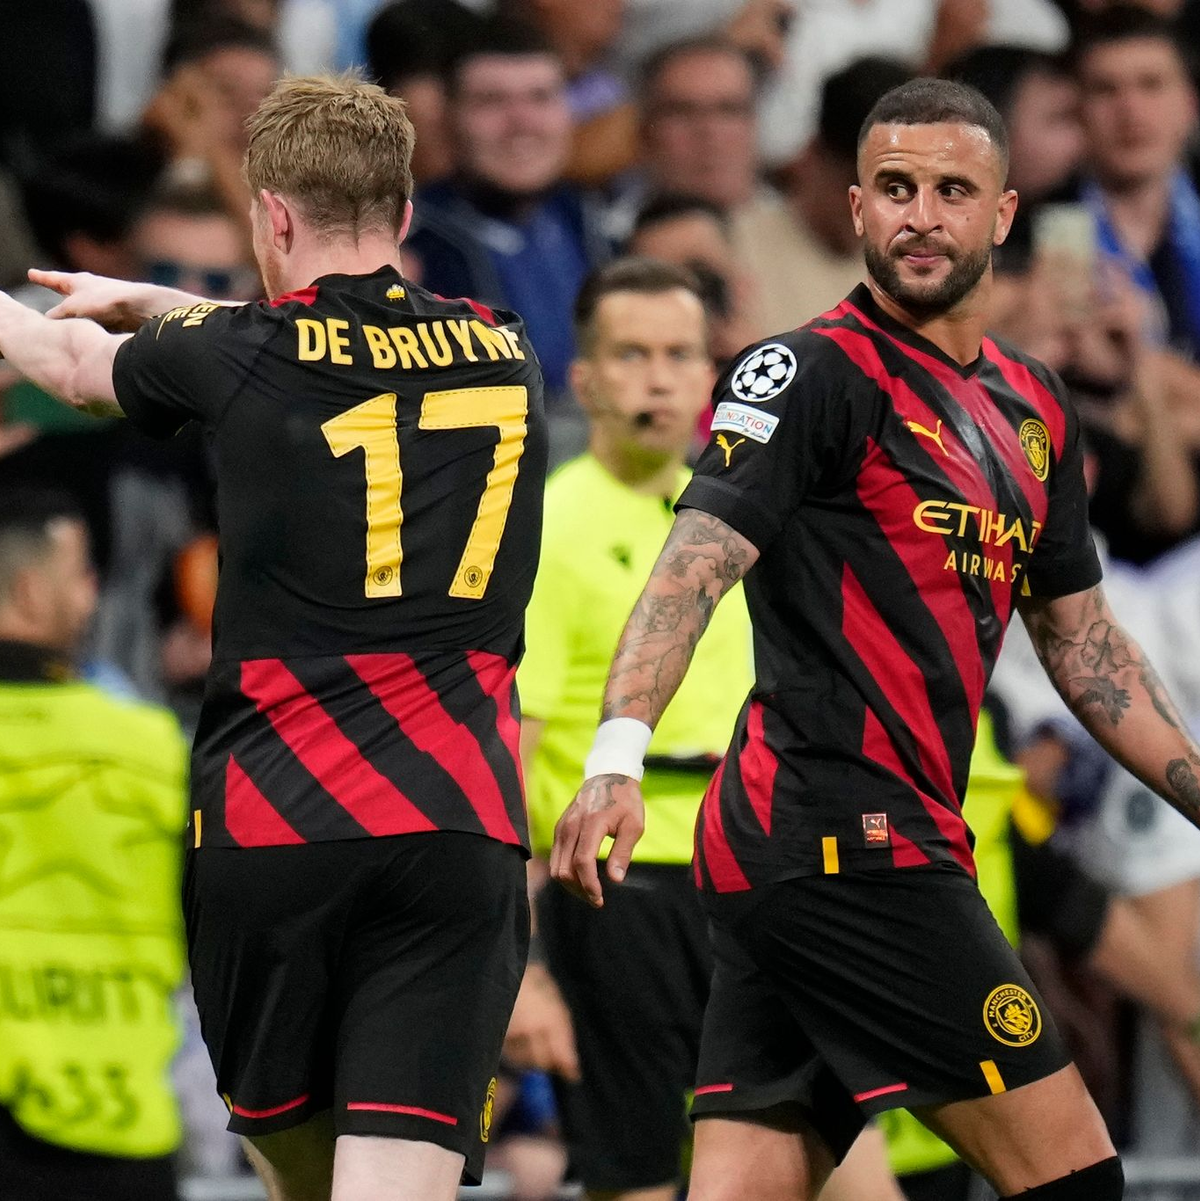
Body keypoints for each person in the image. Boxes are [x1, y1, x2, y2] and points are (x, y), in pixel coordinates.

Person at [552, 76, 1200, 1201]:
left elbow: (1085, 644)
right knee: (1076, 1173)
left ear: (1003, 215)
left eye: (954, 190)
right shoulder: (804, 373)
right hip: (846, 840)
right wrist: (614, 757)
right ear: (854, 208)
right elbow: (690, 569)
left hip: (815, 851)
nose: (921, 214)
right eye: (895, 188)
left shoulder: (1034, 407)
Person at [0, 73, 548, 1201]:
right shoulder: (506, 348)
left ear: (271, 217)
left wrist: (137, 308)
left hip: (278, 828)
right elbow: (296, 337)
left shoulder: (241, 355)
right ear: (401, 217)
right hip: (454, 827)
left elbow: (63, 364)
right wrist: (154, 300)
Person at [510, 257, 751, 1201]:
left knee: (825, 1166)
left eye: (680, 354)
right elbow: (508, 758)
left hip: (749, 881)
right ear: (584, 378)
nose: (658, 377)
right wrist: (520, 970)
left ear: (710, 376)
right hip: (616, 895)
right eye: (633, 354)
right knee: (640, 1179)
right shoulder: (549, 528)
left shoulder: (735, 521)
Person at [0, 488, 188, 1201]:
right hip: (122, 1128)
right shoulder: (149, 745)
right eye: (80, 577)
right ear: (28, 591)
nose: (92, 597)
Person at [405, 19, 611, 402]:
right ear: (447, 118)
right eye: (491, 101)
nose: (521, 123)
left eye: (540, 97)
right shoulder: (405, 248)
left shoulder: (595, 224)